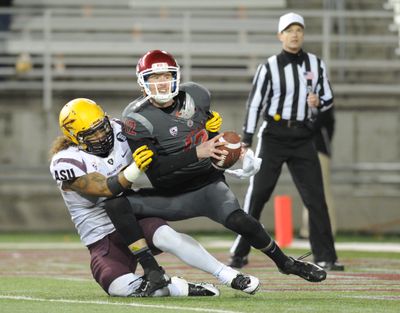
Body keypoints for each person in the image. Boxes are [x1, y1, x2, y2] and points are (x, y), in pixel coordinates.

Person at [104, 49, 327, 286]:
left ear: (176, 76)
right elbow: (157, 171)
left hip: (207, 184)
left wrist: (239, 151)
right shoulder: (136, 118)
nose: (161, 83)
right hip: (169, 193)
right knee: (115, 204)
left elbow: (211, 140)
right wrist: (198, 151)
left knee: (243, 222)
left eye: (166, 76)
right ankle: (151, 268)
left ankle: (286, 263)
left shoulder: (197, 96)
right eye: (154, 78)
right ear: (143, 83)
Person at [49, 98, 257, 297]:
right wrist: (135, 169)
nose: (102, 136)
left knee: (165, 235)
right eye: (92, 134)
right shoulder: (66, 161)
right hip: (103, 238)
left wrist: (208, 129)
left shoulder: (121, 130)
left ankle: (227, 274)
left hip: (133, 217)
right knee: (118, 287)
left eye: (102, 127)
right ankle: (178, 287)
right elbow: (105, 189)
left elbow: (173, 141)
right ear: (74, 137)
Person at [228, 13, 344, 271]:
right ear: (280, 35)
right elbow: (255, 103)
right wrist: (246, 138)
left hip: (303, 135)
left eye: (298, 30)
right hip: (274, 135)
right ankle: (239, 251)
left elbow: (328, 98)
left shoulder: (316, 63)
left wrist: (318, 103)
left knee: (315, 197)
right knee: (258, 194)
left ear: (303, 34)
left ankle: (326, 255)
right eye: (289, 30)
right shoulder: (269, 66)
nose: (294, 34)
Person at [299, 107, 336, 238]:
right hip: (306, 150)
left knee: (323, 190)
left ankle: (327, 230)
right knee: (308, 191)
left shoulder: (324, 103)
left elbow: (315, 124)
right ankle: (308, 230)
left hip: (319, 150)